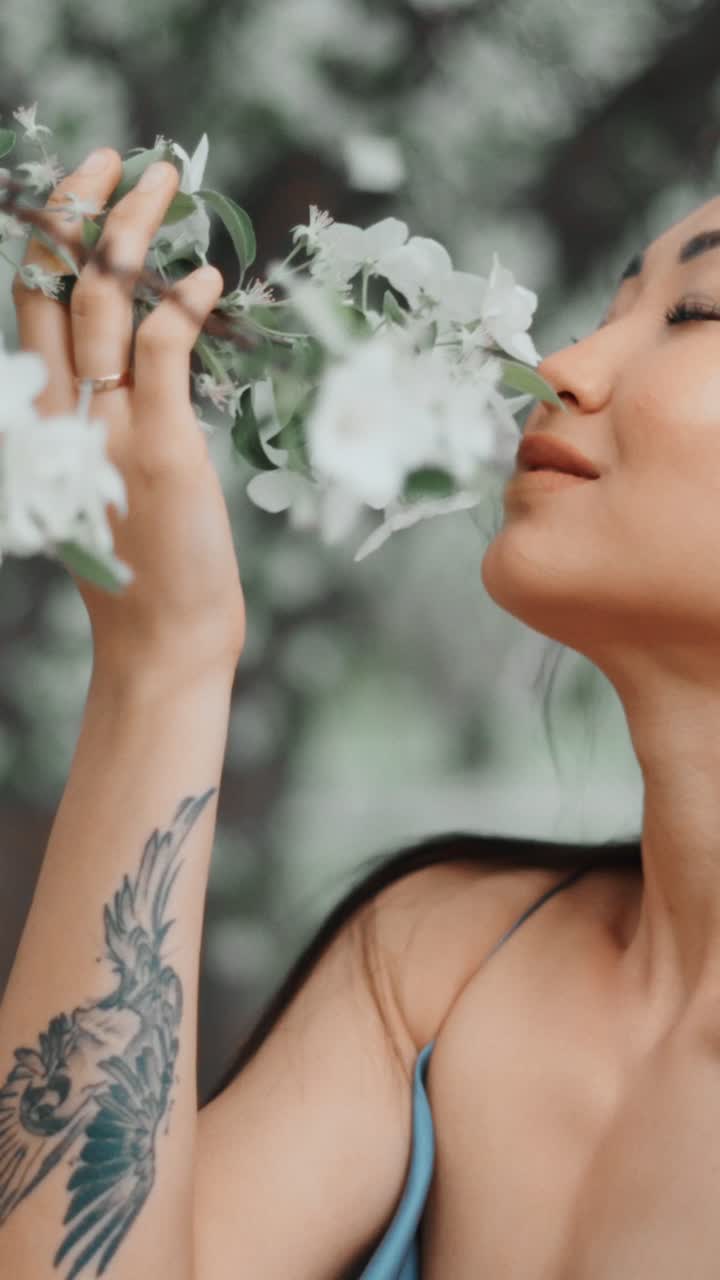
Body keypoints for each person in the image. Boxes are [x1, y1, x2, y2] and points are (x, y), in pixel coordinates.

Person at [0, 144, 715, 1279]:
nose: (566, 366)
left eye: (699, 312)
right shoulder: (445, 953)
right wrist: (162, 659)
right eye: (610, 305)